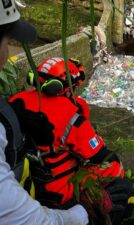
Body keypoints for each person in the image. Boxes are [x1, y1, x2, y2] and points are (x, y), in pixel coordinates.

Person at [9, 57, 134, 224]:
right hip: (57, 192)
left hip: (23, 180)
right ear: (65, 88)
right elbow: (99, 155)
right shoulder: (69, 115)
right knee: (113, 166)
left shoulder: (17, 99)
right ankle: (114, 215)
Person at [0, 0, 88, 224]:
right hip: (56, 195)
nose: (7, 53)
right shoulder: (72, 111)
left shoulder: (16, 102)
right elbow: (28, 220)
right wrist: (82, 214)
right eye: (7, 41)